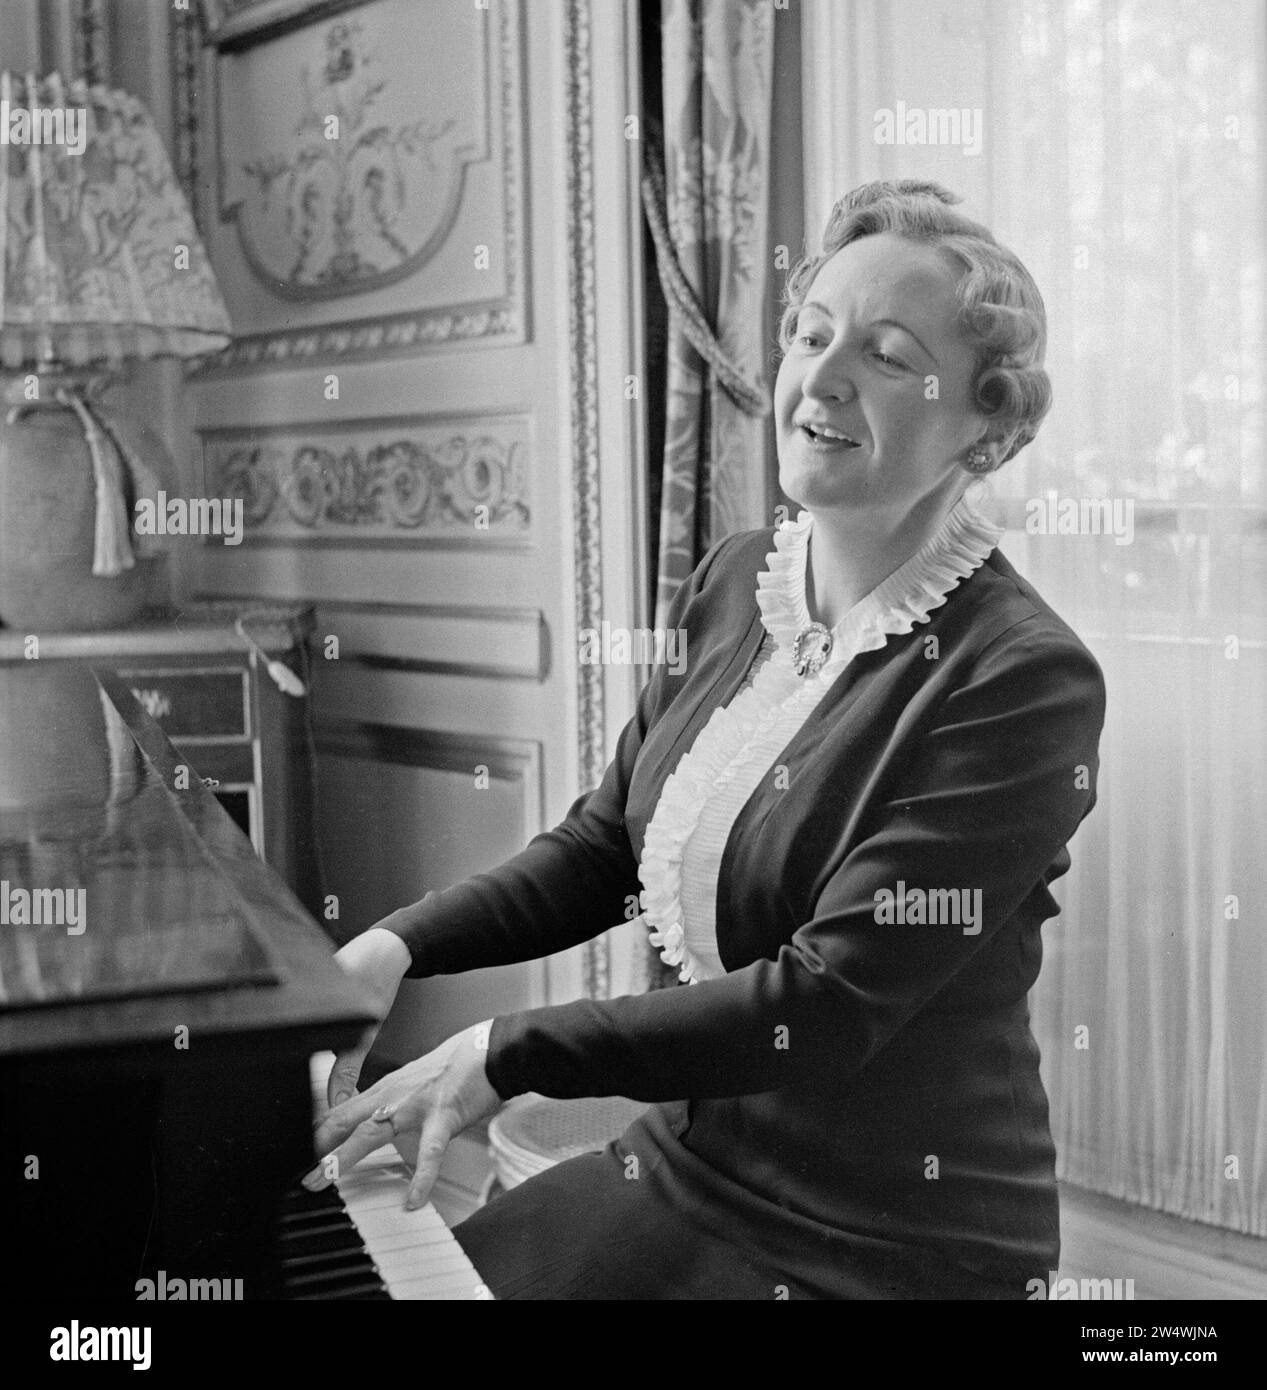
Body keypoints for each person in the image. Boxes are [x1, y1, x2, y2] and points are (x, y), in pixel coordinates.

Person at [305, 179, 1106, 1300]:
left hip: (893, 1237)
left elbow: (820, 1005)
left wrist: (505, 1050)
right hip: (694, 1163)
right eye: (808, 335)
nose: (818, 379)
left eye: (883, 354)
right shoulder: (740, 581)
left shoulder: (1021, 677)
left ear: (987, 424)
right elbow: (603, 847)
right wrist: (396, 944)